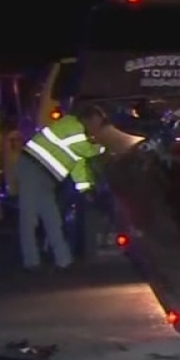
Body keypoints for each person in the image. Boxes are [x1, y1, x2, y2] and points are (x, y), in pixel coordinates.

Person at [17, 104, 109, 270]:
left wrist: (85, 189)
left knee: (53, 218)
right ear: (86, 119)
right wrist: (105, 147)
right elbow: (85, 150)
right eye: (96, 122)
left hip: (46, 178)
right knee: (29, 218)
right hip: (32, 168)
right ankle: (31, 262)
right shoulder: (72, 126)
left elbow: (78, 164)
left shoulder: (79, 137)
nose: (97, 127)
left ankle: (64, 261)